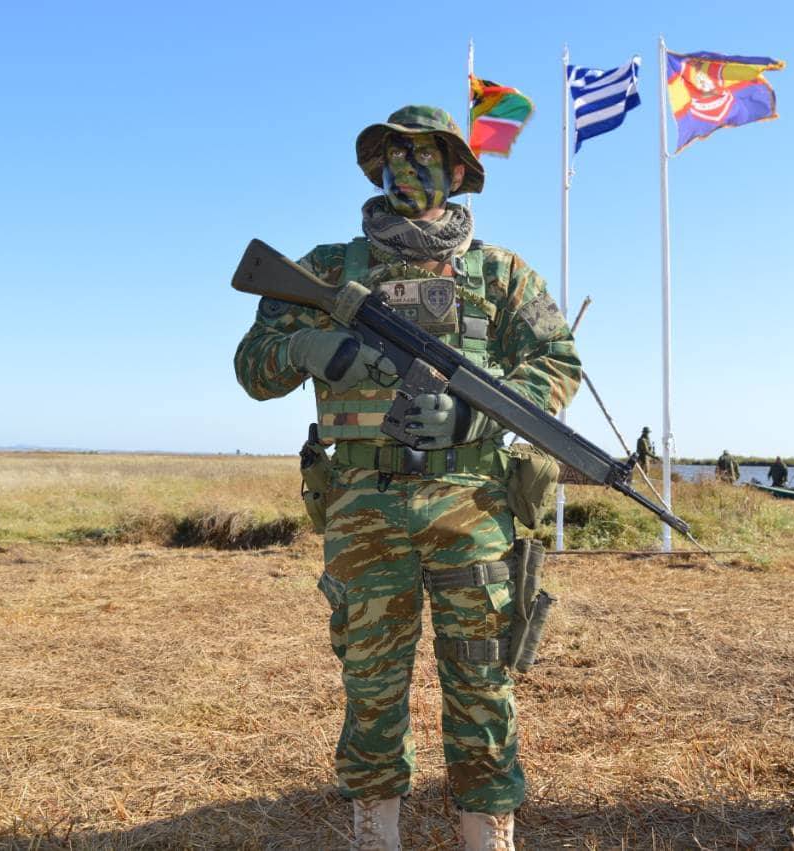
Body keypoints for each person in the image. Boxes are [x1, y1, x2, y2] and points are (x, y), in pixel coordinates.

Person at [234, 105, 581, 851]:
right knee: (371, 681)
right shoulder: (328, 269)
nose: (408, 168)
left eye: (426, 156)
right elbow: (252, 366)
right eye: (396, 155)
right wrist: (308, 349)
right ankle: (375, 830)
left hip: (473, 505)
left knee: (482, 679)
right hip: (364, 507)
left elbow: (557, 362)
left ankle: (487, 831)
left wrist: (475, 415)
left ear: (457, 172)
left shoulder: (501, 273)